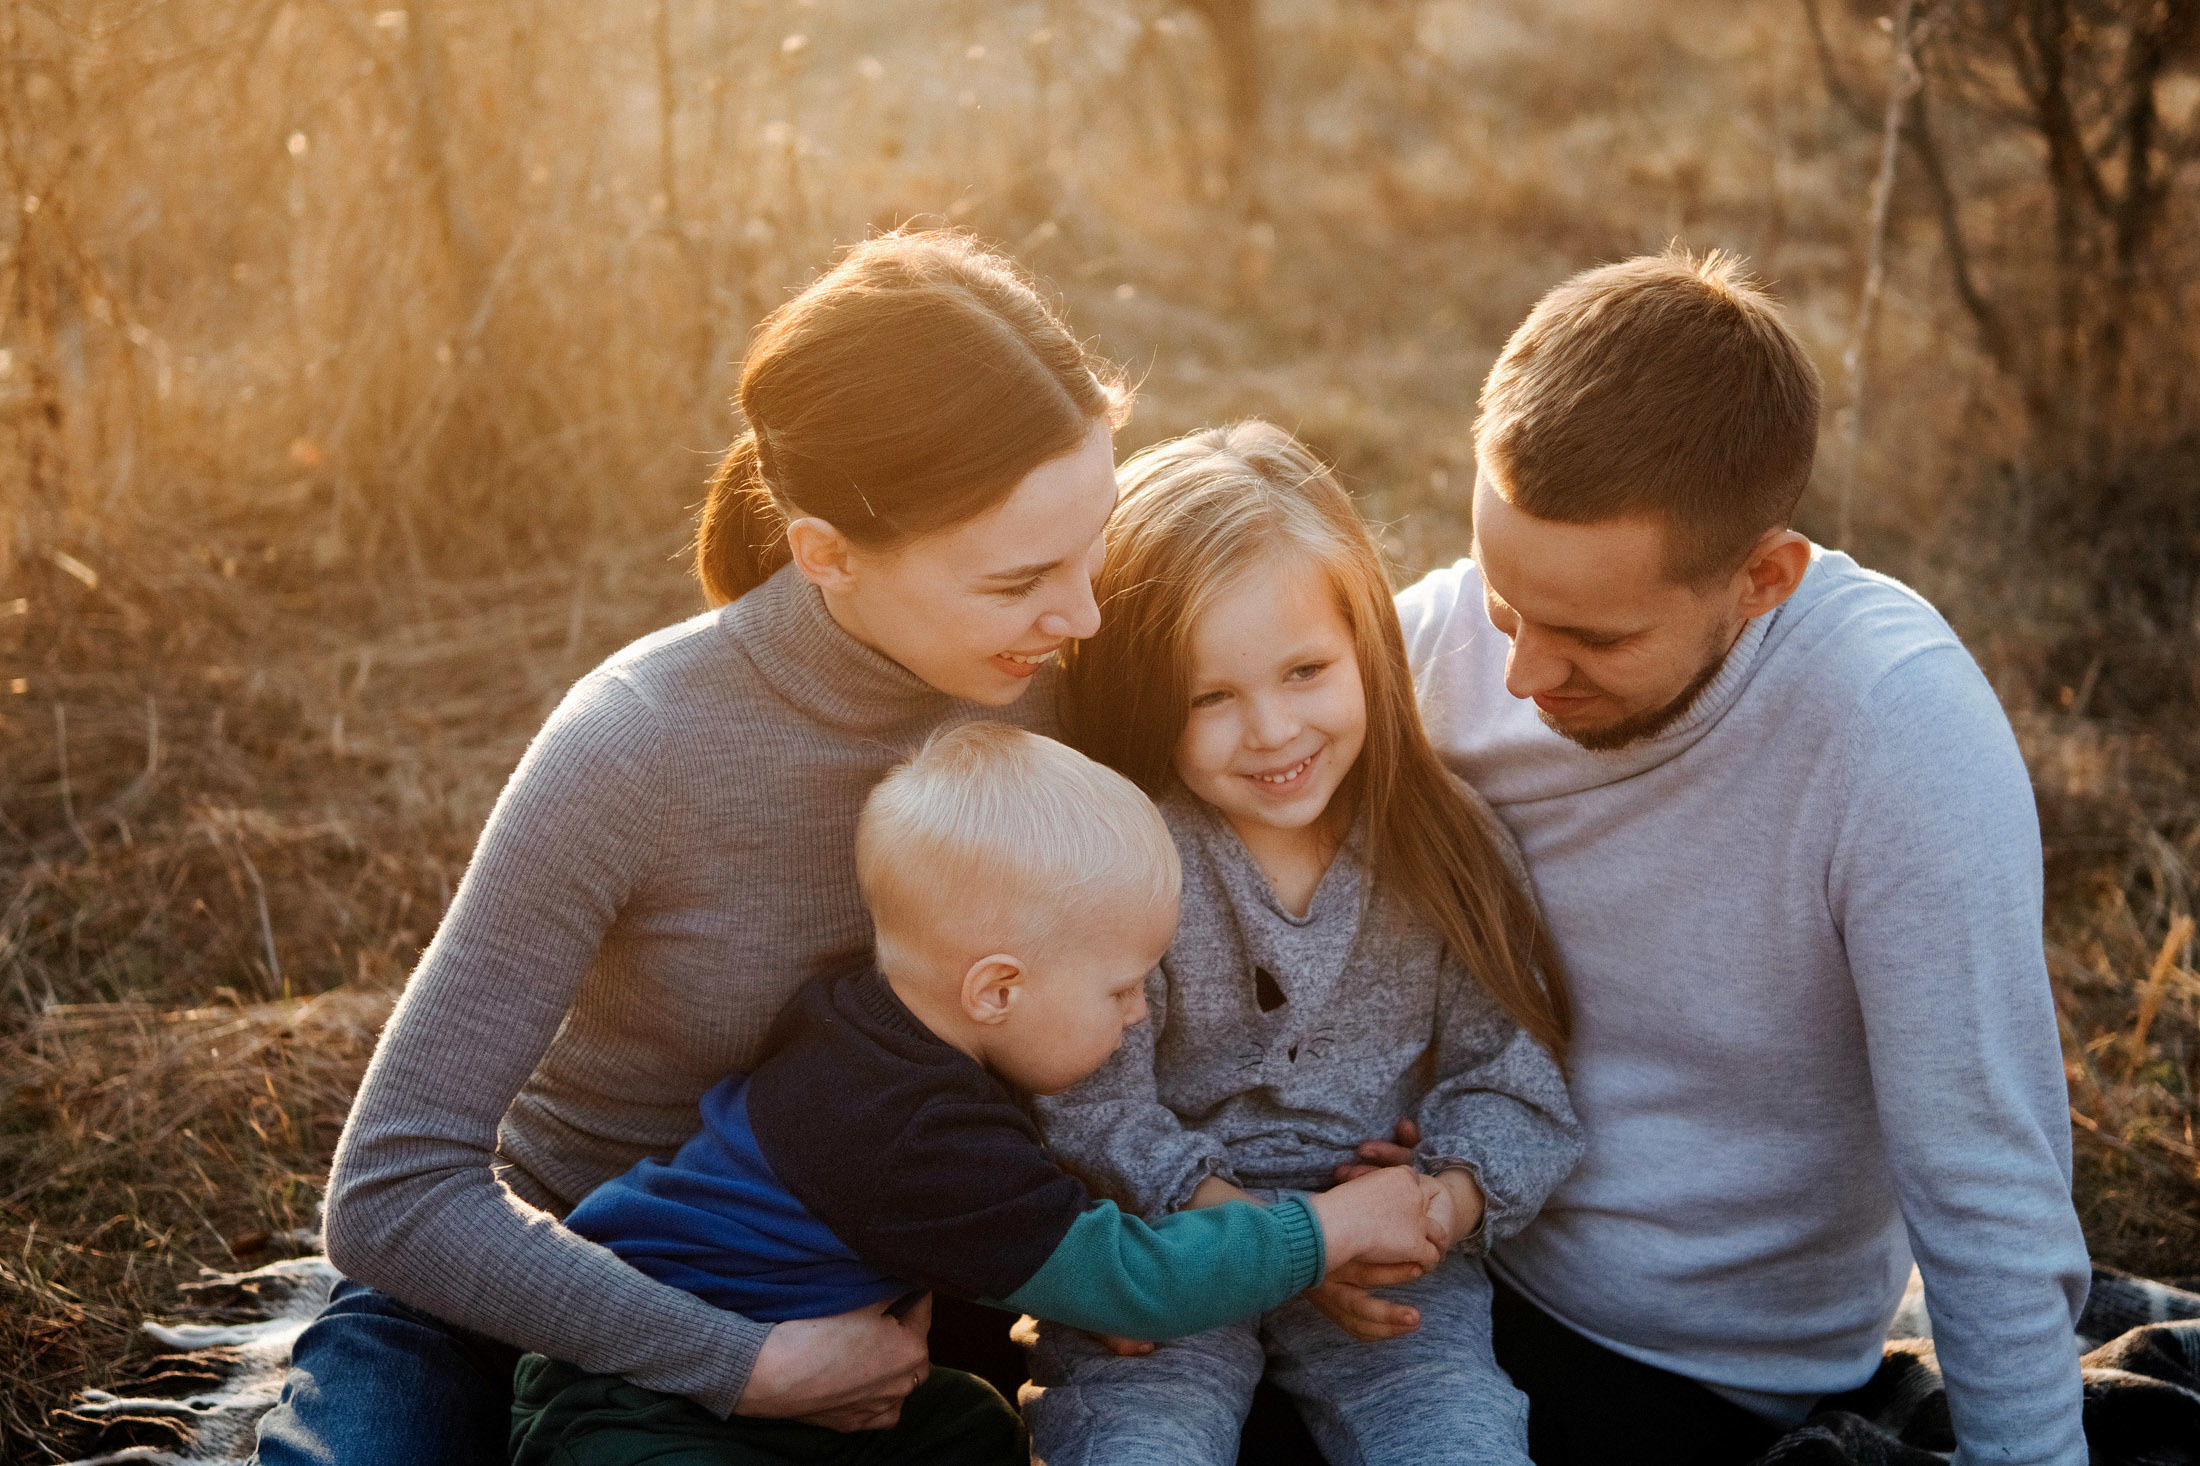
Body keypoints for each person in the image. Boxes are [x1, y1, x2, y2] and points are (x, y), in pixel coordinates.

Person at [254, 231, 1132, 1465]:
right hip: (549, 1274)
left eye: (1096, 540)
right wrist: (742, 1365)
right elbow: (395, 1188)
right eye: (1019, 578)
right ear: (827, 552)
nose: (1083, 611)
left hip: (878, 1288)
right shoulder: (636, 743)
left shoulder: (1062, 682)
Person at [1376, 249, 2089, 1465]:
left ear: (1762, 577)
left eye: (1592, 636)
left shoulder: (1896, 733)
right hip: (1437, 1259)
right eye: (1504, 600)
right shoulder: (1447, 642)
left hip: (1691, 1364)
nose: (1521, 672)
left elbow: (1983, 1181)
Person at [506, 722, 1452, 1466]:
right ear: (997, 991)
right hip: (642, 1403)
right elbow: (1138, 1278)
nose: (1138, 1017)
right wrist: (1327, 1227)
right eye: (1123, 989)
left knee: (968, 1424)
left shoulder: (865, 1025)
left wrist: (1068, 1288)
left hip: (789, 1384)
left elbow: (953, 1228)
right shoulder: (912, 1128)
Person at [1024, 422, 1583, 1466]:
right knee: (1139, 1442)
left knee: (1457, 1437)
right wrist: (1278, 1247)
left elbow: (1514, 1074)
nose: (1273, 730)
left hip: (1389, 1266)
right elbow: (1092, 1104)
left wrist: (1438, 1202)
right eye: (1211, 696)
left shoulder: (1445, 844)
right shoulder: (1126, 858)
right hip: (1170, 1248)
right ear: (1147, 694)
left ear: (1366, 645)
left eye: (1305, 670)